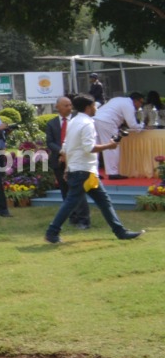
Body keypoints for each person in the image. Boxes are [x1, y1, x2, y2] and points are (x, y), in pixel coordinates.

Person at [45, 95, 145, 244]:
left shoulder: (73, 121)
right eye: (94, 105)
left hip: (83, 170)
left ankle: (120, 231)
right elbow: (89, 148)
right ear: (88, 107)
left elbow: (66, 146)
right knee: (72, 202)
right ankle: (52, 232)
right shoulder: (87, 124)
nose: (96, 108)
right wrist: (109, 146)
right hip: (84, 171)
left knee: (103, 201)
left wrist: (68, 168)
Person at [44, 97, 91, 229]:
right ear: (57, 107)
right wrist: (62, 152)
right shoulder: (51, 123)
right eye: (66, 105)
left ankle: (83, 219)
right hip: (59, 160)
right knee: (65, 191)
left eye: (70, 105)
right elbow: (50, 142)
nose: (69, 108)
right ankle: (72, 217)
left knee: (78, 190)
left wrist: (68, 153)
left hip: (75, 160)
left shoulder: (77, 121)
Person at [92, 92, 143, 178]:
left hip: (95, 120)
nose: (141, 105)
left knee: (96, 147)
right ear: (135, 100)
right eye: (141, 102)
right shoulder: (129, 105)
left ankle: (93, 173)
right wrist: (141, 125)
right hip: (107, 122)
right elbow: (132, 125)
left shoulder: (118, 99)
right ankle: (113, 173)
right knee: (112, 146)